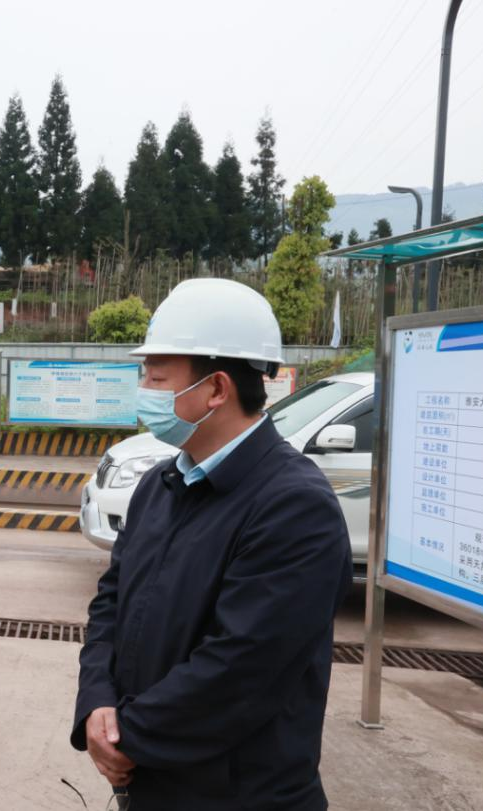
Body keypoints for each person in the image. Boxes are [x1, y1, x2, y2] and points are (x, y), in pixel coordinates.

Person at [70, 279, 353, 810]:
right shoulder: (159, 484)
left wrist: (126, 736)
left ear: (217, 389)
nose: (145, 389)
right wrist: (97, 704)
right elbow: (111, 603)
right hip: (152, 780)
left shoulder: (295, 506)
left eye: (157, 377)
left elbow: (242, 668)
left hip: (239, 795)